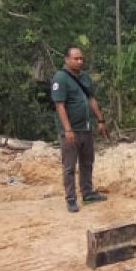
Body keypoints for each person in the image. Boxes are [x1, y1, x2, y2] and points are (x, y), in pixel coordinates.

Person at [51, 46, 109, 213]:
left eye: (81, 58)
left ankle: (88, 192)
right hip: (71, 131)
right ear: (66, 59)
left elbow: (91, 99)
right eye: (76, 59)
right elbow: (59, 106)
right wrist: (67, 130)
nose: (79, 61)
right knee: (69, 166)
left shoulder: (84, 77)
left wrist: (100, 119)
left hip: (86, 128)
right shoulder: (60, 79)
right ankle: (70, 199)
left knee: (87, 162)